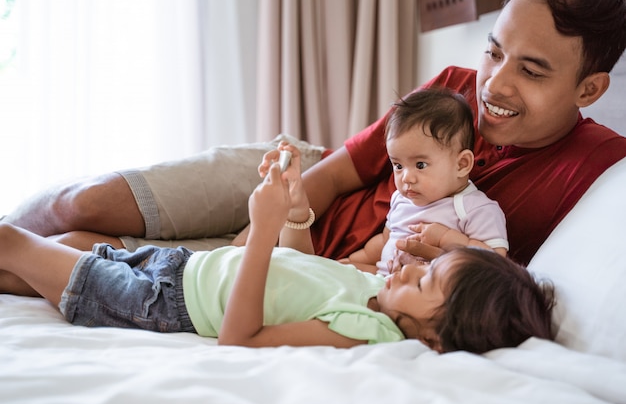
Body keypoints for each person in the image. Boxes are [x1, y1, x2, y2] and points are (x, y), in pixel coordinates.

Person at [3, 0, 626, 269]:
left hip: (308, 265)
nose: (495, 84)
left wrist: (262, 260)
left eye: (532, 70)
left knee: (66, 253)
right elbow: (341, 171)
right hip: (296, 179)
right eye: (495, 52)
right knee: (77, 204)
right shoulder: (455, 84)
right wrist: (258, 232)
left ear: (590, 89)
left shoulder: (600, 167)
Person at [0, 145, 555, 353]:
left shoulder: (366, 328)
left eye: (426, 283)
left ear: (437, 338)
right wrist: (292, 210)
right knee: (55, 250)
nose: (410, 272)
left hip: (161, 301)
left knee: (11, 243)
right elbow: (301, 269)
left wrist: (260, 230)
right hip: (184, 270)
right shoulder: (376, 290)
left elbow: (241, 337)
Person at [340, 88, 508, 275]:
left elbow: (496, 263)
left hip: (423, 294)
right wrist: (352, 261)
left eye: (420, 165)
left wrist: (446, 238)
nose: (406, 178)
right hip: (383, 278)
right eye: (398, 165)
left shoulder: (475, 208)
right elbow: (385, 240)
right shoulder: (401, 200)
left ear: (462, 164)